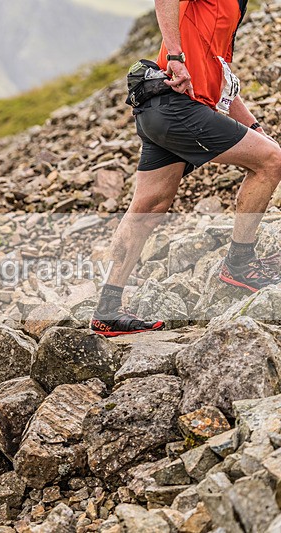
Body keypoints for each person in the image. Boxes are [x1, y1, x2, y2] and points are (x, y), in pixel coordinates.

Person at [91, 0, 281, 336]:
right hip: (178, 104)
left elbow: (219, 75)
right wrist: (176, 58)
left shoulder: (233, 7)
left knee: (148, 206)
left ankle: (107, 309)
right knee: (272, 161)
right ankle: (240, 263)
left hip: (158, 109)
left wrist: (254, 128)